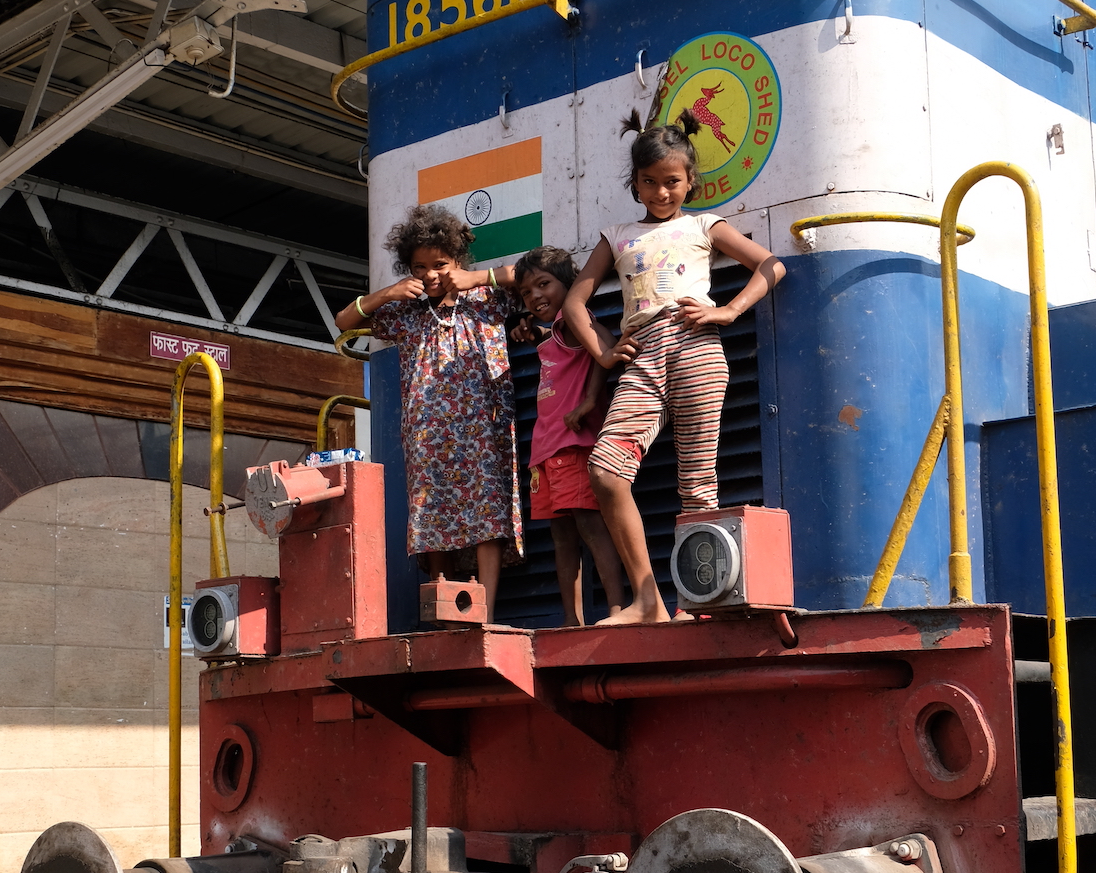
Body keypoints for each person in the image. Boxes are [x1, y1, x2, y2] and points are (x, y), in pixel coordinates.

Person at [563, 110, 785, 626]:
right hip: (641, 356)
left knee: (697, 484)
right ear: (635, 183)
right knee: (605, 470)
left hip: (696, 348)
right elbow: (575, 302)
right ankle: (648, 602)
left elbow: (771, 264)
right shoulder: (617, 235)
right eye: (649, 182)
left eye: (672, 182)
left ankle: (700, 605)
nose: (661, 192)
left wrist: (729, 310)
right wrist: (603, 351)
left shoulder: (704, 224)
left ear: (689, 181)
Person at [335, 204, 522, 622]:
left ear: (457, 260)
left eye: (440, 264)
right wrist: (388, 293)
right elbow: (344, 319)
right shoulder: (406, 314)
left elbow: (527, 275)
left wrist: (477, 277)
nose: (431, 274)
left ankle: (486, 612)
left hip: (482, 425)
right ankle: (448, 611)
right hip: (426, 431)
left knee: (488, 513)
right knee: (433, 514)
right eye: (420, 267)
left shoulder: (486, 298)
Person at [513, 246, 628, 626]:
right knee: (562, 535)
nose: (535, 296)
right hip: (547, 449)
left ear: (570, 285)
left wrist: (591, 399)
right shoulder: (557, 330)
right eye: (526, 292)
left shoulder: (571, 319)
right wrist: (535, 334)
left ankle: (616, 609)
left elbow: (606, 345)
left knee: (591, 527)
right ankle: (571, 619)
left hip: (573, 443)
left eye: (543, 284)